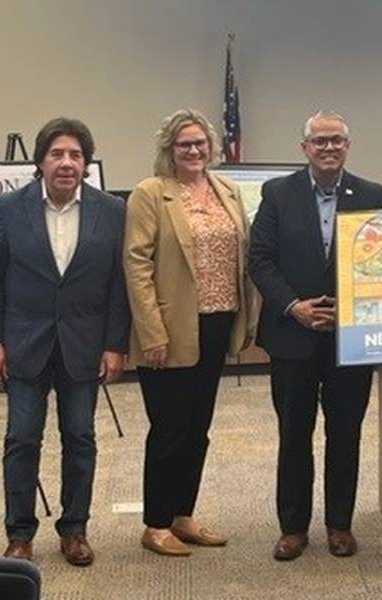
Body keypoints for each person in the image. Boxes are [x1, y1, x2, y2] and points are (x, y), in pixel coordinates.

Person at [0, 117, 130, 566]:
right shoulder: (10, 208)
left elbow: (118, 286)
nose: (66, 163)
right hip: (25, 345)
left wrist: (115, 344)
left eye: (76, 155)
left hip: (84, 345)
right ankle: (19, 534)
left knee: (80, 438)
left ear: (86, 163)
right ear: (41, 161)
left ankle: (75, 531)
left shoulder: (112, 210)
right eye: (57, 154)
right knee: (22, 439)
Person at [249, 111, 382, 560]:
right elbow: (261, 260)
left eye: (338, 141)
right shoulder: (278, 193)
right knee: (294, 434)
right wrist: (295, 308)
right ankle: (293, 527)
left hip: (351, 340)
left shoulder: (371, 194)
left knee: (345, 433)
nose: (329, 148)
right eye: (320, 141)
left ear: (349, 146)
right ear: (304, 147)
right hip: (293, 337)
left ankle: (339, 525)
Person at [124, 108, 258, 556]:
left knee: (198, 426)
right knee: (169, 427)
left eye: (201, 143)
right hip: (170, 326)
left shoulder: (227, 190)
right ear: (170, 149)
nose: (195, 150)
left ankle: (183, 515)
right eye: (185, 144)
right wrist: (151, 331)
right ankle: (156, 523)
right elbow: (137, 264)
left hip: (219, 322)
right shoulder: (151, 193)